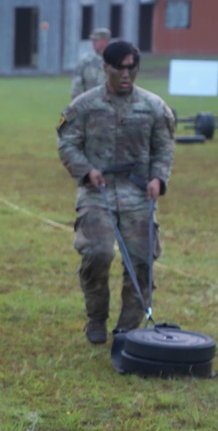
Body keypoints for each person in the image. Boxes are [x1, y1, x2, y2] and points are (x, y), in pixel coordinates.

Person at [57, 41, 175, 344]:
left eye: (131, 67)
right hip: (98, 192)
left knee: (142, 260)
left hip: (138, 194)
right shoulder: (84, 105)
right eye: (119, 68)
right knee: (97, 254)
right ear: (105, 68)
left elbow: (164, 147)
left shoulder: (153, 106)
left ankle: (128, 327)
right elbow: (67, 142)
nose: (126, 74)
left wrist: (158, 179)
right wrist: (86, 170)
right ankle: (96, 318)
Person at [71, 28, 111, 99]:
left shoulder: (115, 60)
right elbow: (77, 84)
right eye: (93, 40)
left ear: (105, 41)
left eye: (96, 40)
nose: (93, 43)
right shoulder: (85, 61)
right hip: (91, 103)